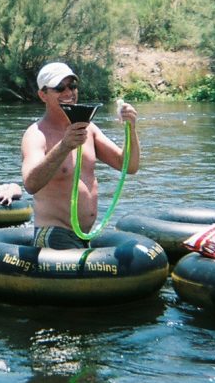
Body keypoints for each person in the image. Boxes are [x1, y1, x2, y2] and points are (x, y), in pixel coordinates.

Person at [21, 61, 140, 249]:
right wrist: (64, 146)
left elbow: (129, 166)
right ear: (43, 95)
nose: (68, 93)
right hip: (54, 234)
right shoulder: (36, 134)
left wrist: (131, 128)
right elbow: (31, 184)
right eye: (59, 88)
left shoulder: (89, 128)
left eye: (72, 86)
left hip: (84, 235)